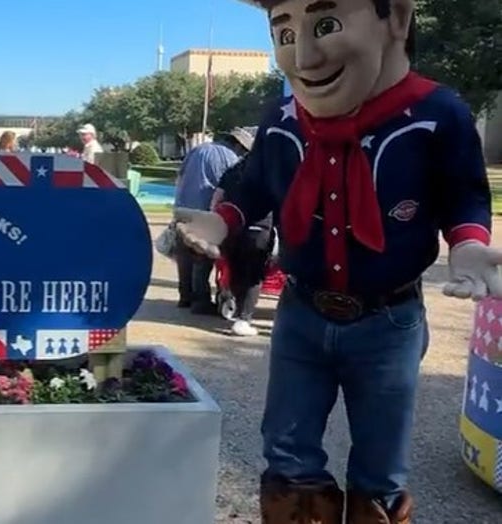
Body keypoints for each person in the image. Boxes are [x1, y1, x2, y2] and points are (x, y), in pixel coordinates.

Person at [175, 1, 502, 522]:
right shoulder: (283, 119)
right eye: (283, 34)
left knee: (380, 471)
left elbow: (463, 193)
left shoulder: (437, 114)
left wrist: (467, 244)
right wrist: (222, 221)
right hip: (301, 315)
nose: (303, 55)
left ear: (395, 17)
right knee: (287, 452)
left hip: (388, 321)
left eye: (326, 25)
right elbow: (255, 182)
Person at [210, 128, 275, 336]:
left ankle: (238, 313)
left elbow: (216, 200)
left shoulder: (234, 169)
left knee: (236, 271)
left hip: (233, 228)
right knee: (253, 275)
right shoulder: (272, 171)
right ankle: (244, 319)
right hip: (260, 228)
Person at [173, 138, 241, 314]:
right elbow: (231, 184)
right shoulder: (230, 156)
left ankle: (185, 296)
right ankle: (201, 300)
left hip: (183, 207)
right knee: (202, 256)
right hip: (207, 209)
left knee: (185, 256)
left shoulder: (196, 150)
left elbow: (179, 177)